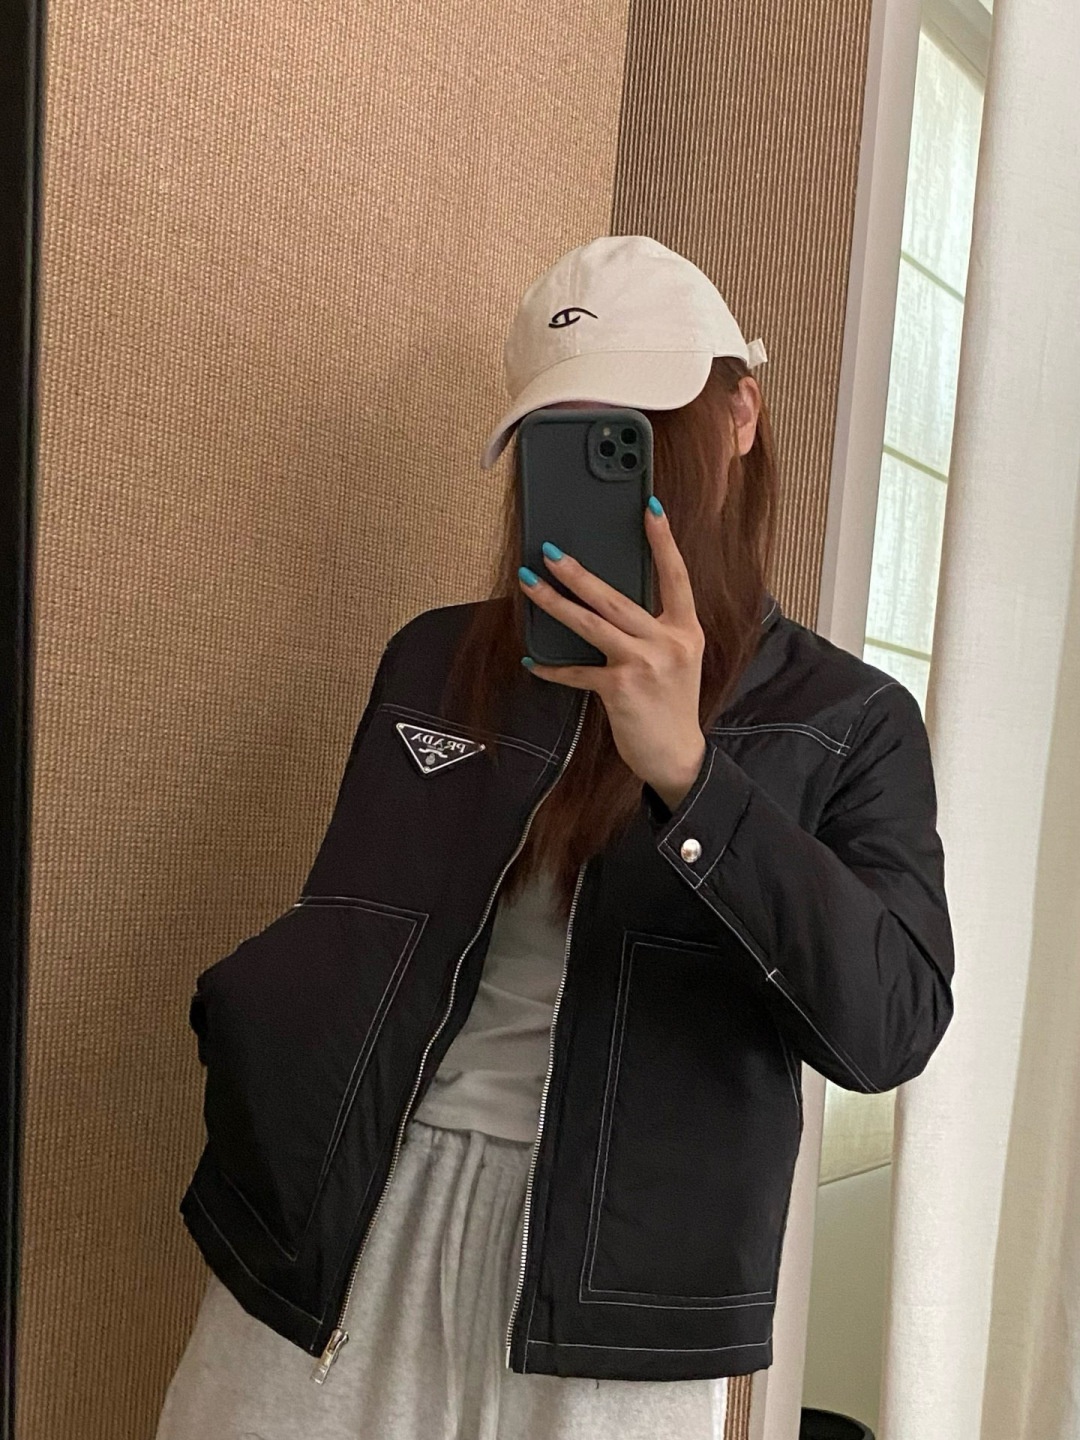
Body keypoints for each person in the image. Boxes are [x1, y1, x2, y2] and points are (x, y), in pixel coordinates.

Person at [153, 235, 955, 1440]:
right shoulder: (435, 661)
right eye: (557, 442)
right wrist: (250, 1019)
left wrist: (692, 775)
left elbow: (890, 1026)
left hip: (618, 1285)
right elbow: (357, 931)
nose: (601, 481)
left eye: (635, 434)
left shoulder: (848, 720)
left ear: (740, 416)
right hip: (341, 1221)